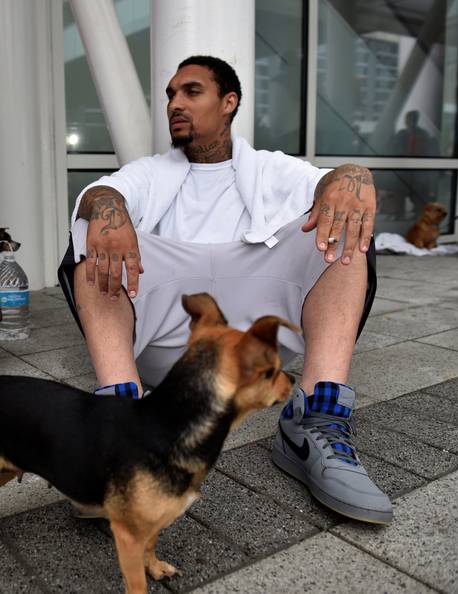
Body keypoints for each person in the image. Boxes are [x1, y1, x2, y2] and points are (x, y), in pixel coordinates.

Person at [58, 56, 392, 524]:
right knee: (90, 228)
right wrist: (107, 204)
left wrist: (352, 176)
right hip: (170, 344)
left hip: (255, 336)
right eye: (170, 95)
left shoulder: (271, 168)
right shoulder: (152, 172)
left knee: (345, 231)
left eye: (191, 92)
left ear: (229, 102)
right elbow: (102, 192)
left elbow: (327, 183)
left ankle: (312, 421)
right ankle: (121, 424)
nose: (175, 103)